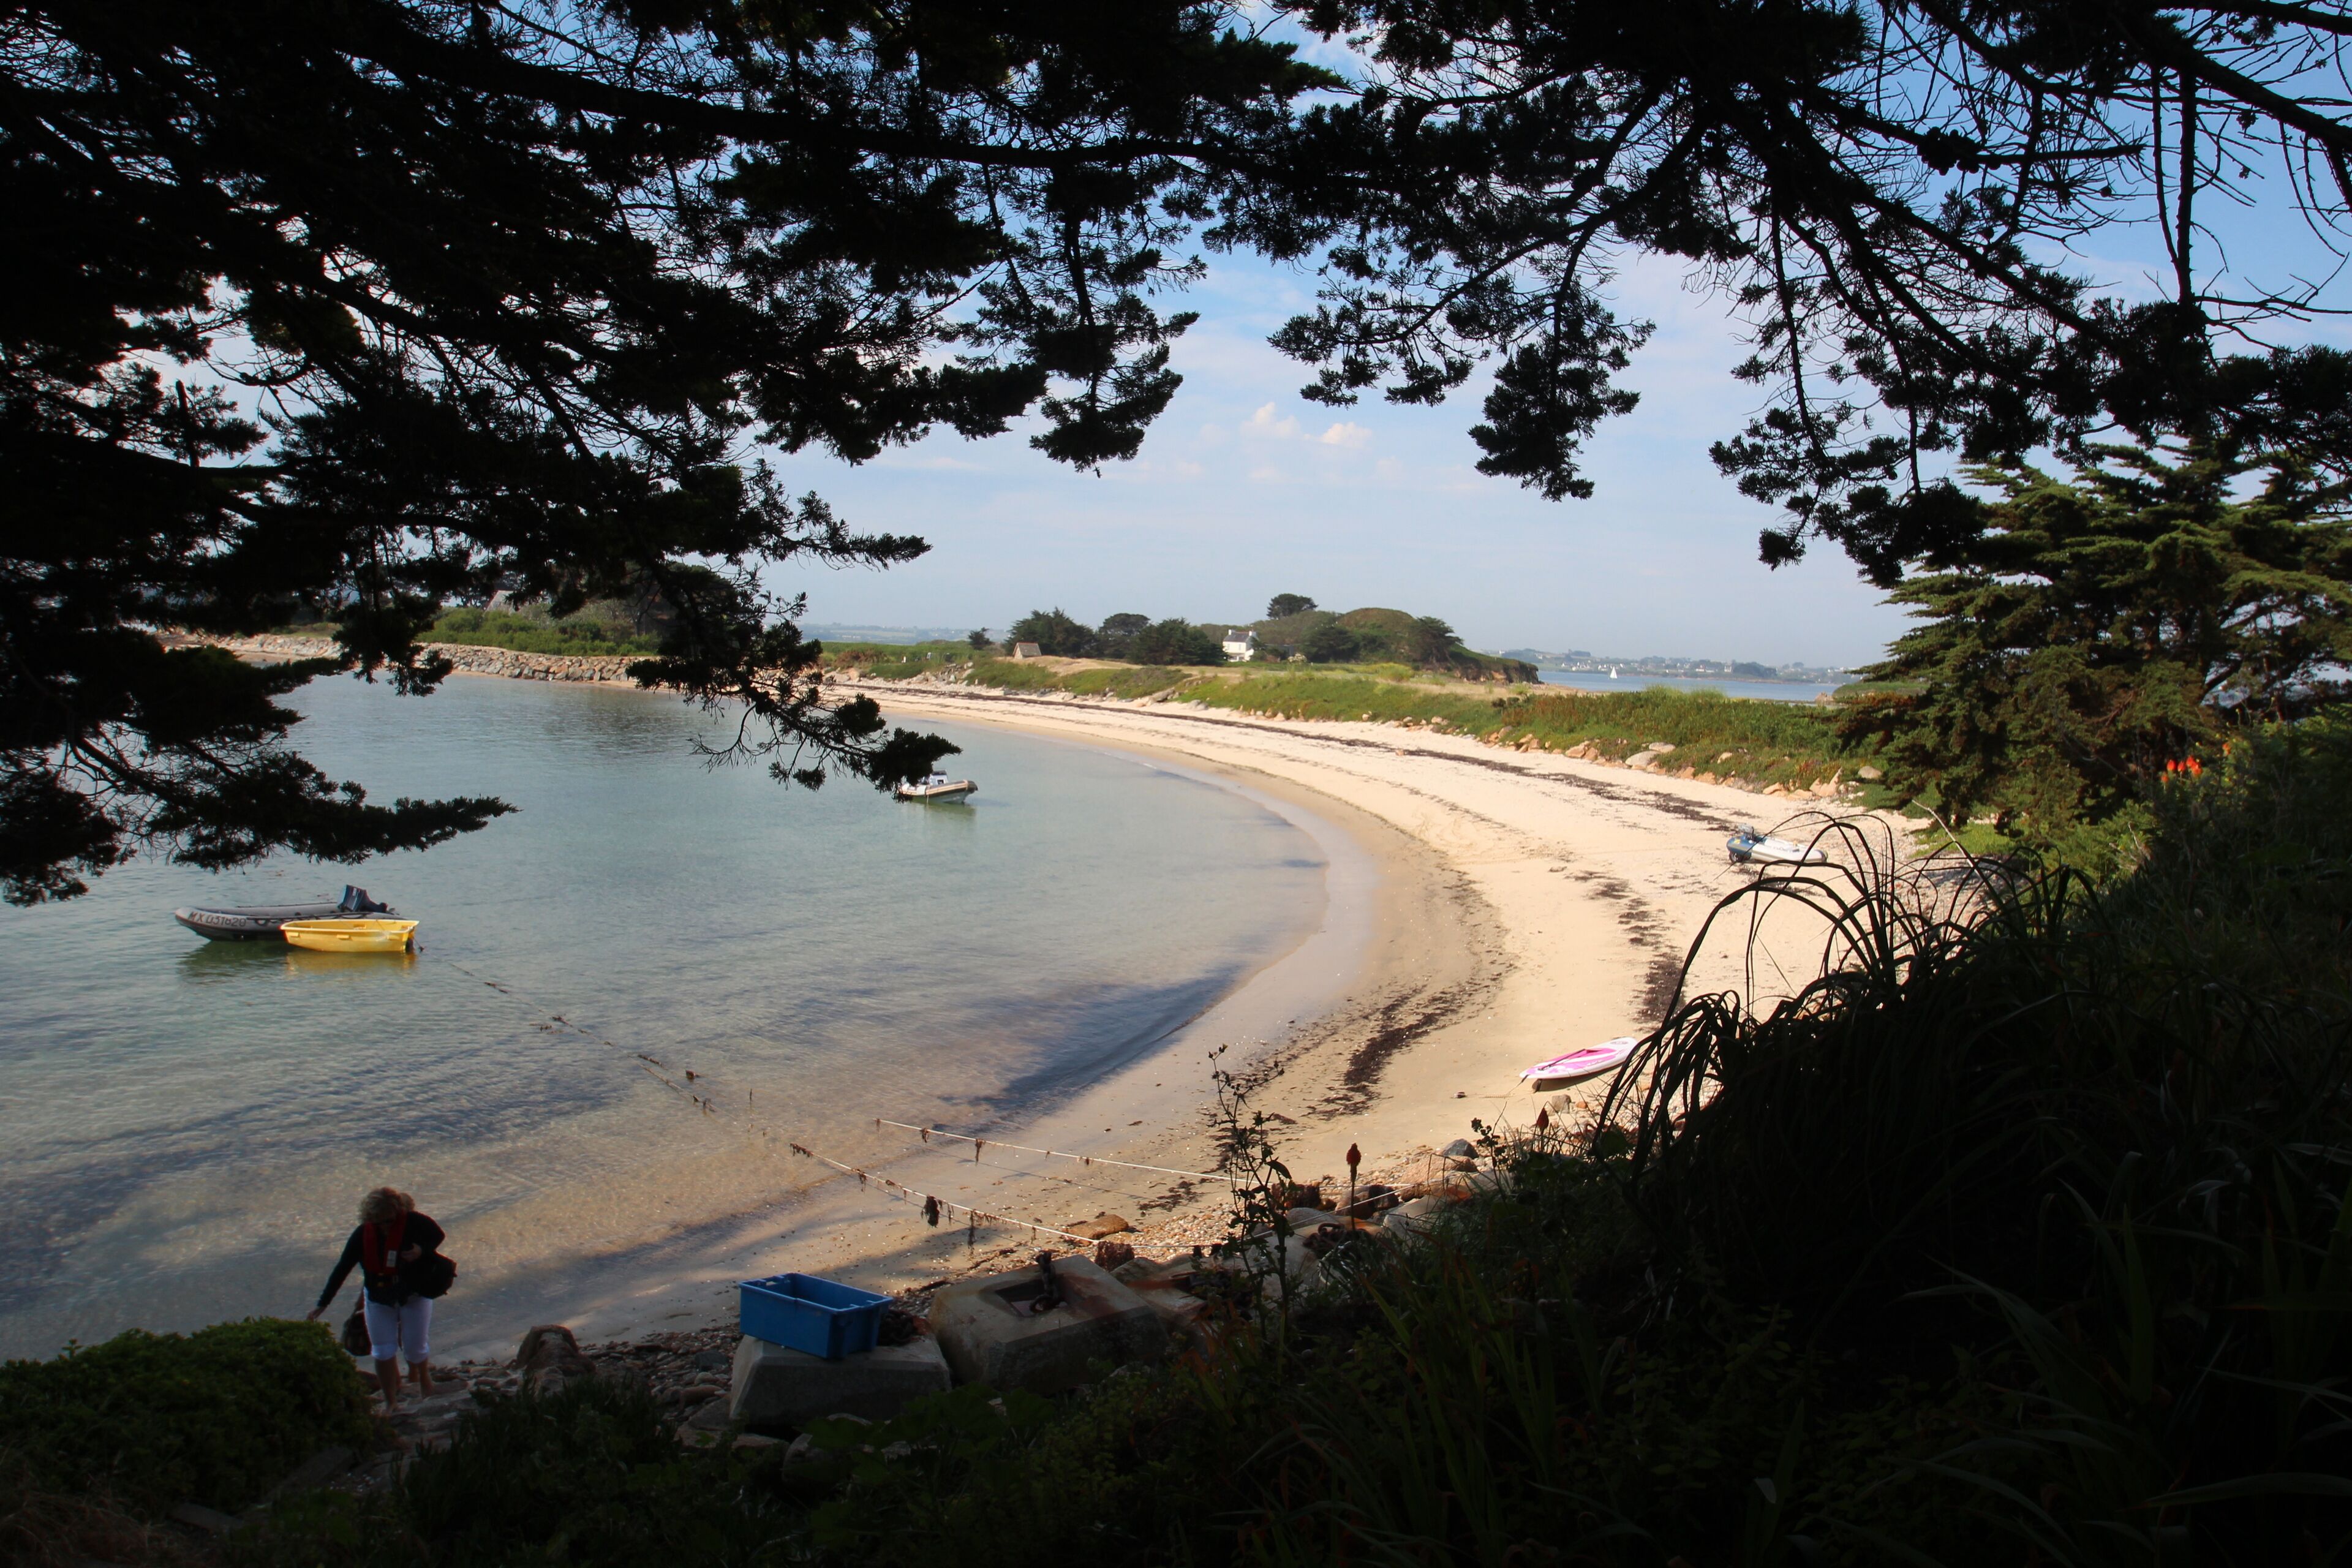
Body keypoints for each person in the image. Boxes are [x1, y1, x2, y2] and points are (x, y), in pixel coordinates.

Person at [306, 1186, 448, 1409]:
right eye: (378, 1222)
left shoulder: (415, 1222)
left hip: (413, 1294)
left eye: (389, 1221)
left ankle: (425, 1383)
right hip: (378, 1298)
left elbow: (438, 1236)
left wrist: (421, 1251)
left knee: (414, 1348)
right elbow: (342, 1268)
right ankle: (391, 1402)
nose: (385, 1227)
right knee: (382, 1351)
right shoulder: (362, 1234)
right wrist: (323, 1303)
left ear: (399, 1212)